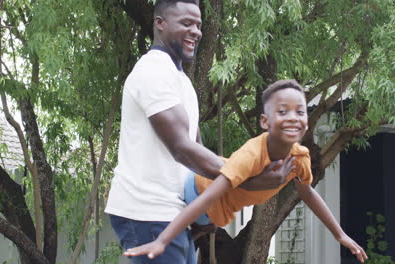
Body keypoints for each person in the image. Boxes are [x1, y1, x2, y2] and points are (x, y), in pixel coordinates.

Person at [104, 1, 293, 263]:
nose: (196, 31)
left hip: (175, 212)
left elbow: (197, 154)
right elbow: (182, 148)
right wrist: (247, 176)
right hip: (148, 210)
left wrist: (209, 207)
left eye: (199, 25)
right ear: (160, 23)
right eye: (186, 23)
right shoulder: (153, 70)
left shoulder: (181, 80)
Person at [123, 79, 369, 263]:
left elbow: (307, 193)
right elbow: (209, 196)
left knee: (207, 225)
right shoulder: (252, 154)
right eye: (282, 111)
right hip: (194, 191)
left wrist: (339, 234)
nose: (293, 118)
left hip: (211, 217)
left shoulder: (299, 158)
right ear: (265, 121)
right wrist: (163, 239)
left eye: (300, 111)